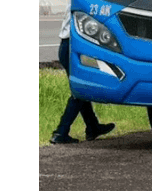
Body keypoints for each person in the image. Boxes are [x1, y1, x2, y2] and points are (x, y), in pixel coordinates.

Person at [50, 8, 116, 144]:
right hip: (73, 46)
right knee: (79, 91)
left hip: (67, 46)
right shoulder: (81, 2)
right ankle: (60, 132)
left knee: (83, 87)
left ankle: (93, 126)